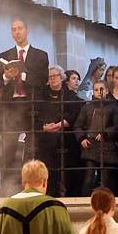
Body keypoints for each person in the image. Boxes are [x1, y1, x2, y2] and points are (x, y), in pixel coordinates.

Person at [0, 19, 49, 194]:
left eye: (19, 29)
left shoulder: (41, 55)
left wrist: (22, 75)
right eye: (13, 30)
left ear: (27, 30)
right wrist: (7, 77)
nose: (16, 32)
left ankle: (32, 188)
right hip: (11, 107)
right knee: (8, 148)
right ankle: (9, 189)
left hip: (31, 106)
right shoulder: (5, 54)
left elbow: (41, 82)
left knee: (32, 149)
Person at [35, 65, 83, 197]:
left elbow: (74, 113)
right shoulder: (42, 95)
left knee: (70, 174)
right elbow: (34, 114)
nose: (53, 79)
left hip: (66, 139)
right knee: (49, 174)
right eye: (50, 76)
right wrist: (44, 127)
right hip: (47, 140)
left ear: (62, 78)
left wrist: (58, 125)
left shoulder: (70, 95)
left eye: (55, 76)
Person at [74, 80, 118, 196]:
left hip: (107, 147)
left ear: (107, 91)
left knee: (106, 179)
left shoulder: (113, 108)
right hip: (91, 145)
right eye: (96, 89)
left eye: (101, 89)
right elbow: (78, 125)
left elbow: (117, 126)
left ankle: (106, 201)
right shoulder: (87, 108)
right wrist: (82, 138)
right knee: (88, 177)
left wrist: (106, 134)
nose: (99, 92)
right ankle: (84, 201)